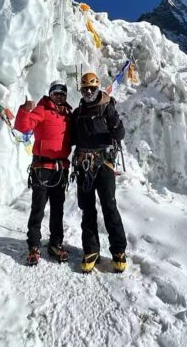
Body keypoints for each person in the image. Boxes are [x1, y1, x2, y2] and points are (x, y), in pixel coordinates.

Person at [70, 72, 128, 273]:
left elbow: (120, 134)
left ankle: (119, 251)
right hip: (83, 166)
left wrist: (114, 120)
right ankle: (91, 250)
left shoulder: (107, 108)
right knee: (87, 210)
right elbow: (70, 138)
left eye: (92, 89)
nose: (88, 92)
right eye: (85, 89)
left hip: (104, 165)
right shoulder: (77, 113)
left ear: (97, 88)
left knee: (109, 207)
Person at [14, 81, 72, 266]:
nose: (59, 97)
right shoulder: (42, 110)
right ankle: (34, 245)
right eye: (56, 93)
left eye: (62, 94)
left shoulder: (68, 114)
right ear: (50, 94)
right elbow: (23, 126)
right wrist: (24, 110)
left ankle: (55, 243)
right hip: (42, 168)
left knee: (57, 209)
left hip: (60, 169)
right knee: (38, 207)